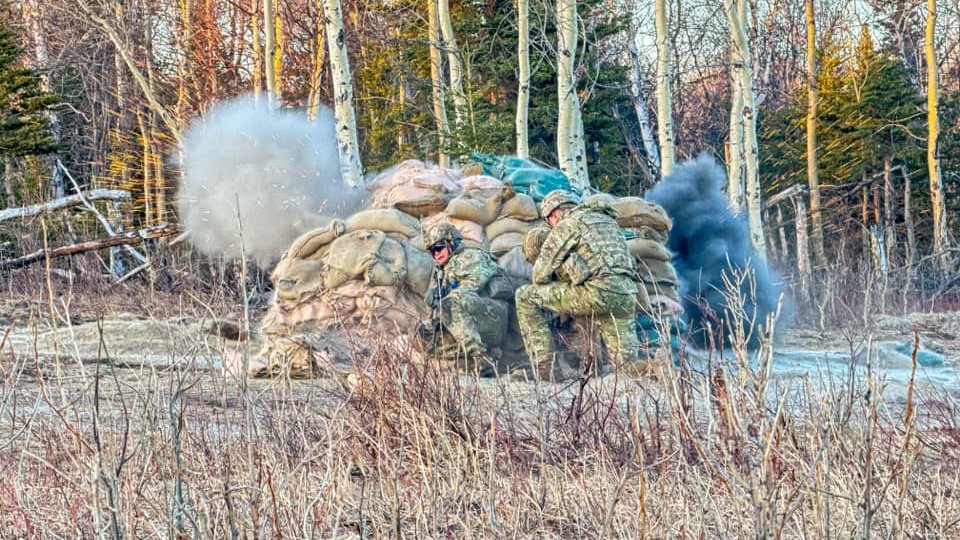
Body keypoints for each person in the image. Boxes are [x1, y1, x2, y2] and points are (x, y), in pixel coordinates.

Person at [515, 189, 642, 380]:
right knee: (625, 366)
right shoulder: (606, 221)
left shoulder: (568, 223)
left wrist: (560, 273)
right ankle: (655, 367)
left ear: (554, 214)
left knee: (525, 296)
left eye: (549, 221)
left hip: (597, 293)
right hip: (626, 293)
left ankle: (545, 369)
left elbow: (540, 274)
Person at [421, 223, 510, 375]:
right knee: (426, 333)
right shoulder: (442, 271)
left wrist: (448, 296)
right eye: (432, 251)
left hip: (492, 317)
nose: (436, 254)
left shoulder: (471, 256)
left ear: (451, 243)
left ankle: (481, 358)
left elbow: (475, 284)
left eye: (439, 248)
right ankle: (475, 359)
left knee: (450, 303)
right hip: (469, 320)